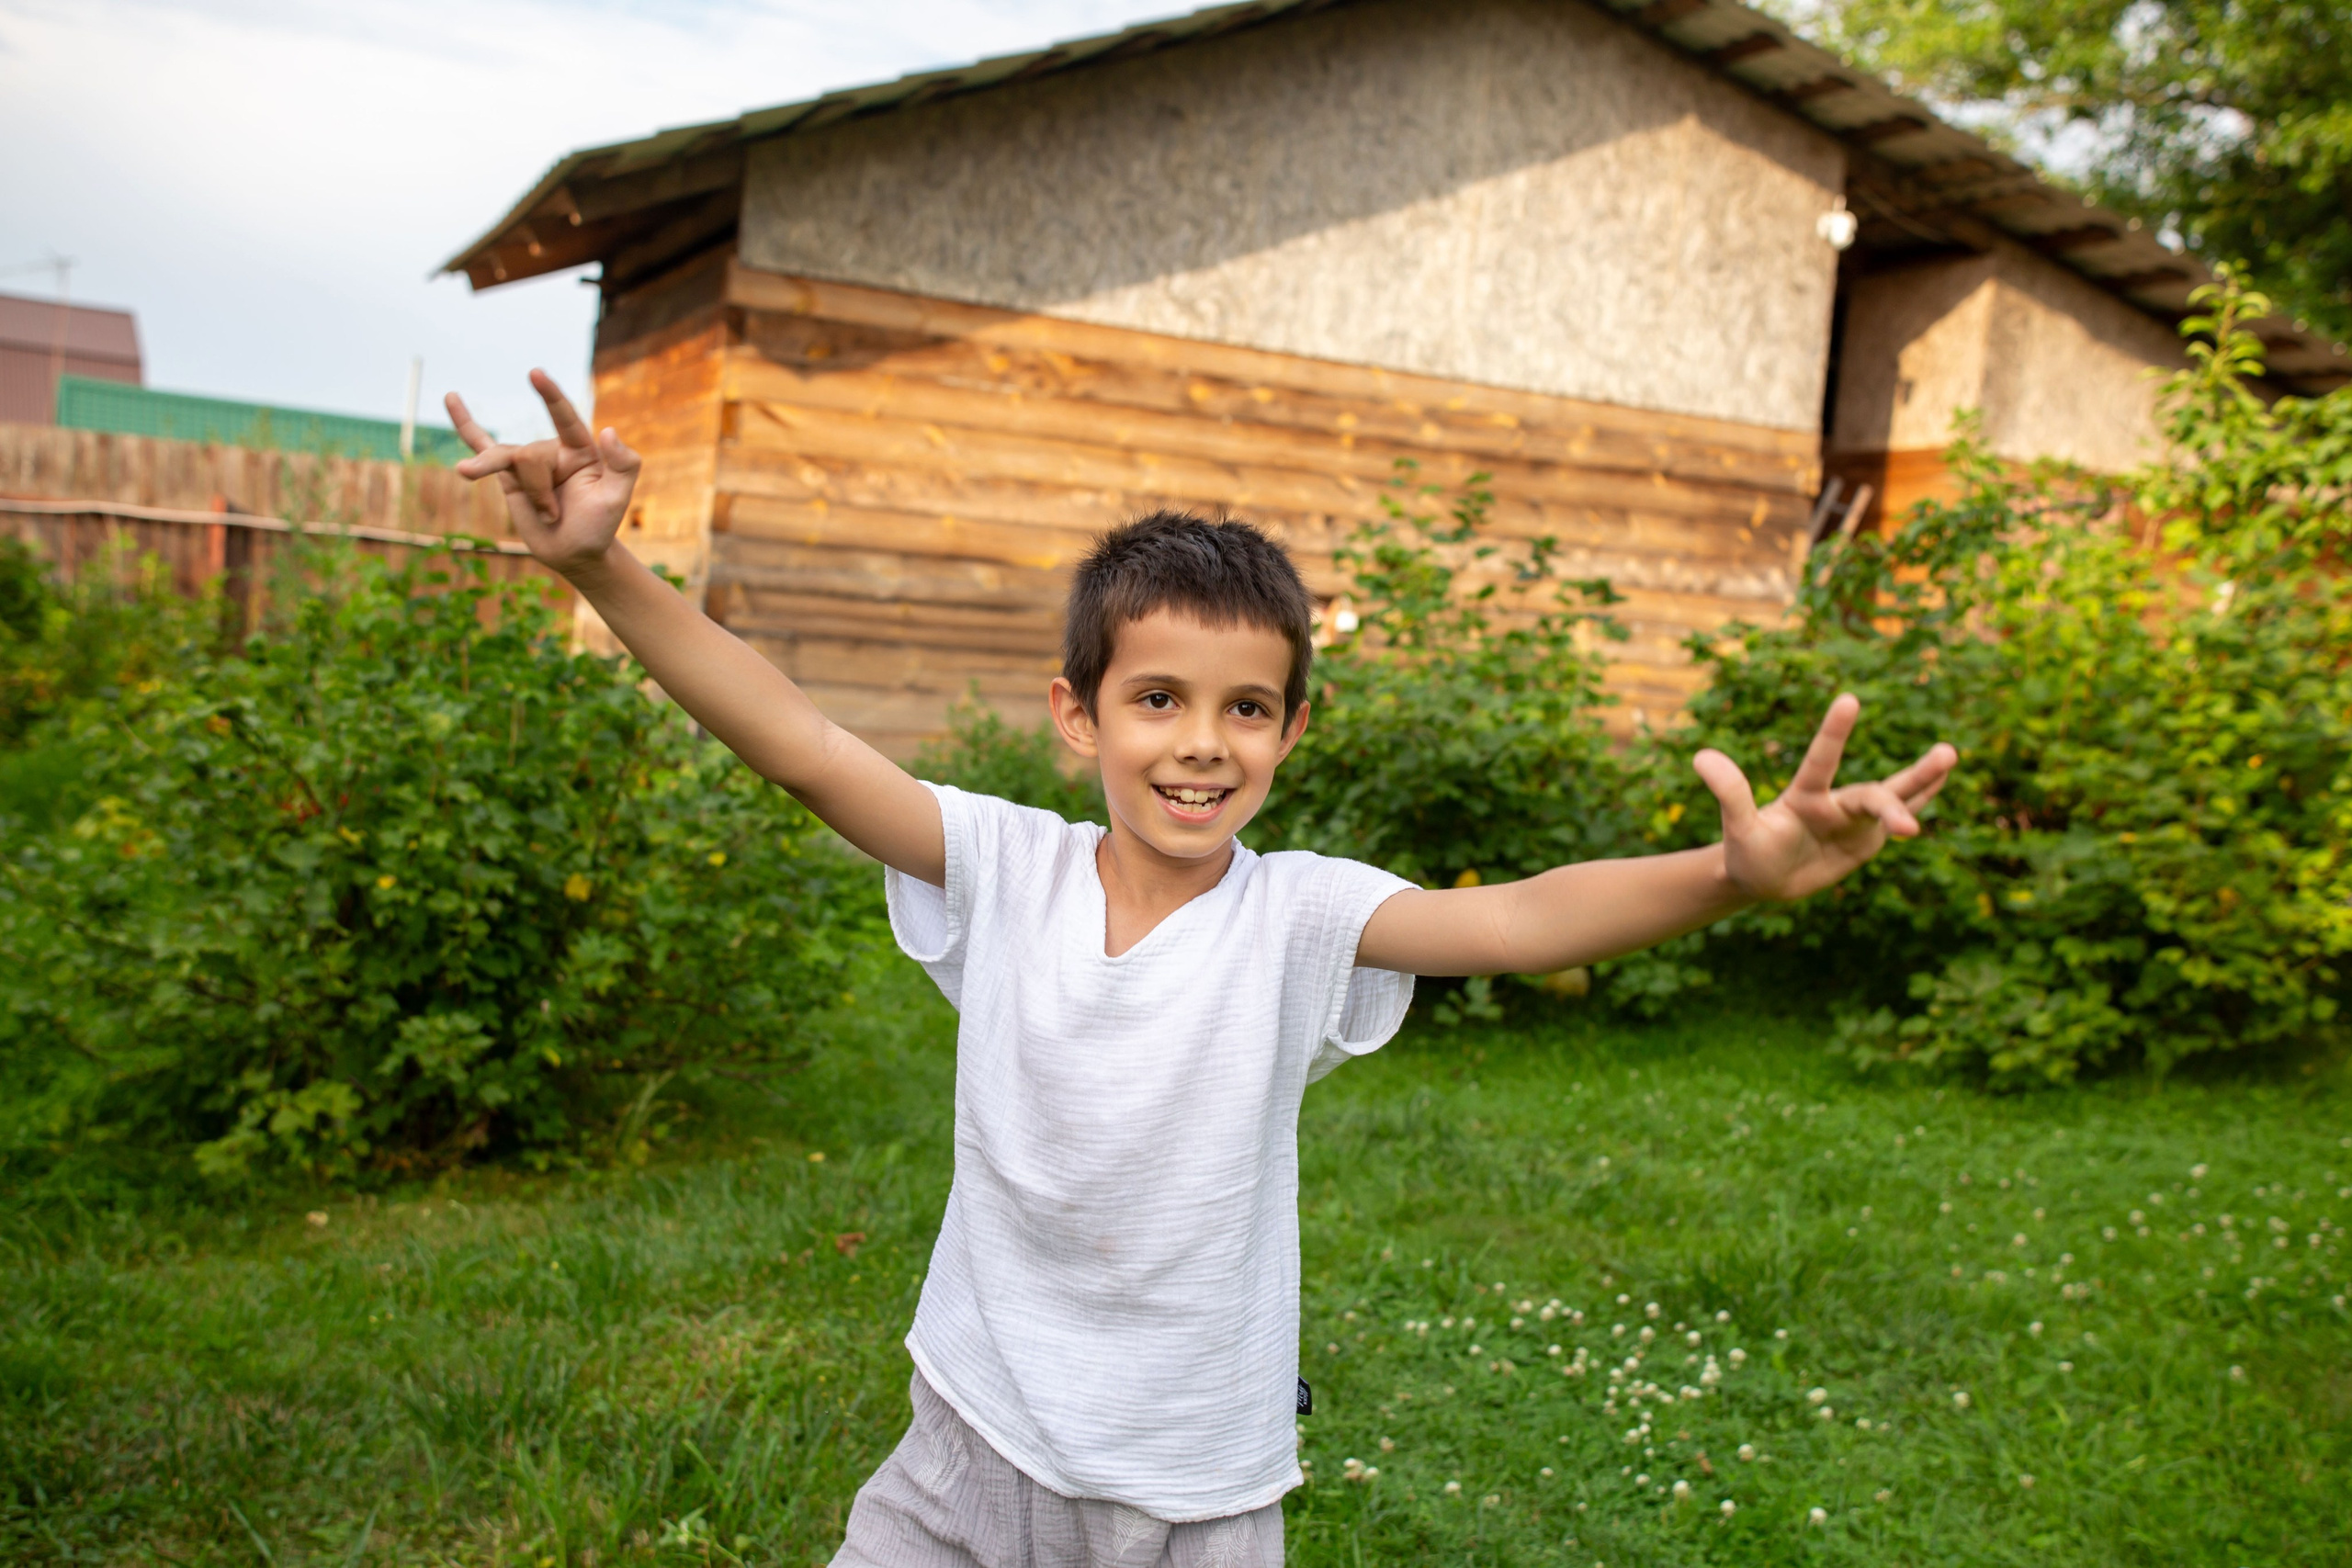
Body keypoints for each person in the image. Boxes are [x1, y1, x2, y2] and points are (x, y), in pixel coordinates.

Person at [448, 371, 1957, 1568]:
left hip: (1189, 1491)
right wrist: (608, 575)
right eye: (1158, 697)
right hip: (969, 1446)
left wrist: (1726, 878)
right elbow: (799, 740)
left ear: (1293, 734)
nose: (1200, 743)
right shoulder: (1007, 868)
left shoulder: (1300, 918)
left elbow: (1512, 922)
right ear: (1078, 714)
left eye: (1247, 709)